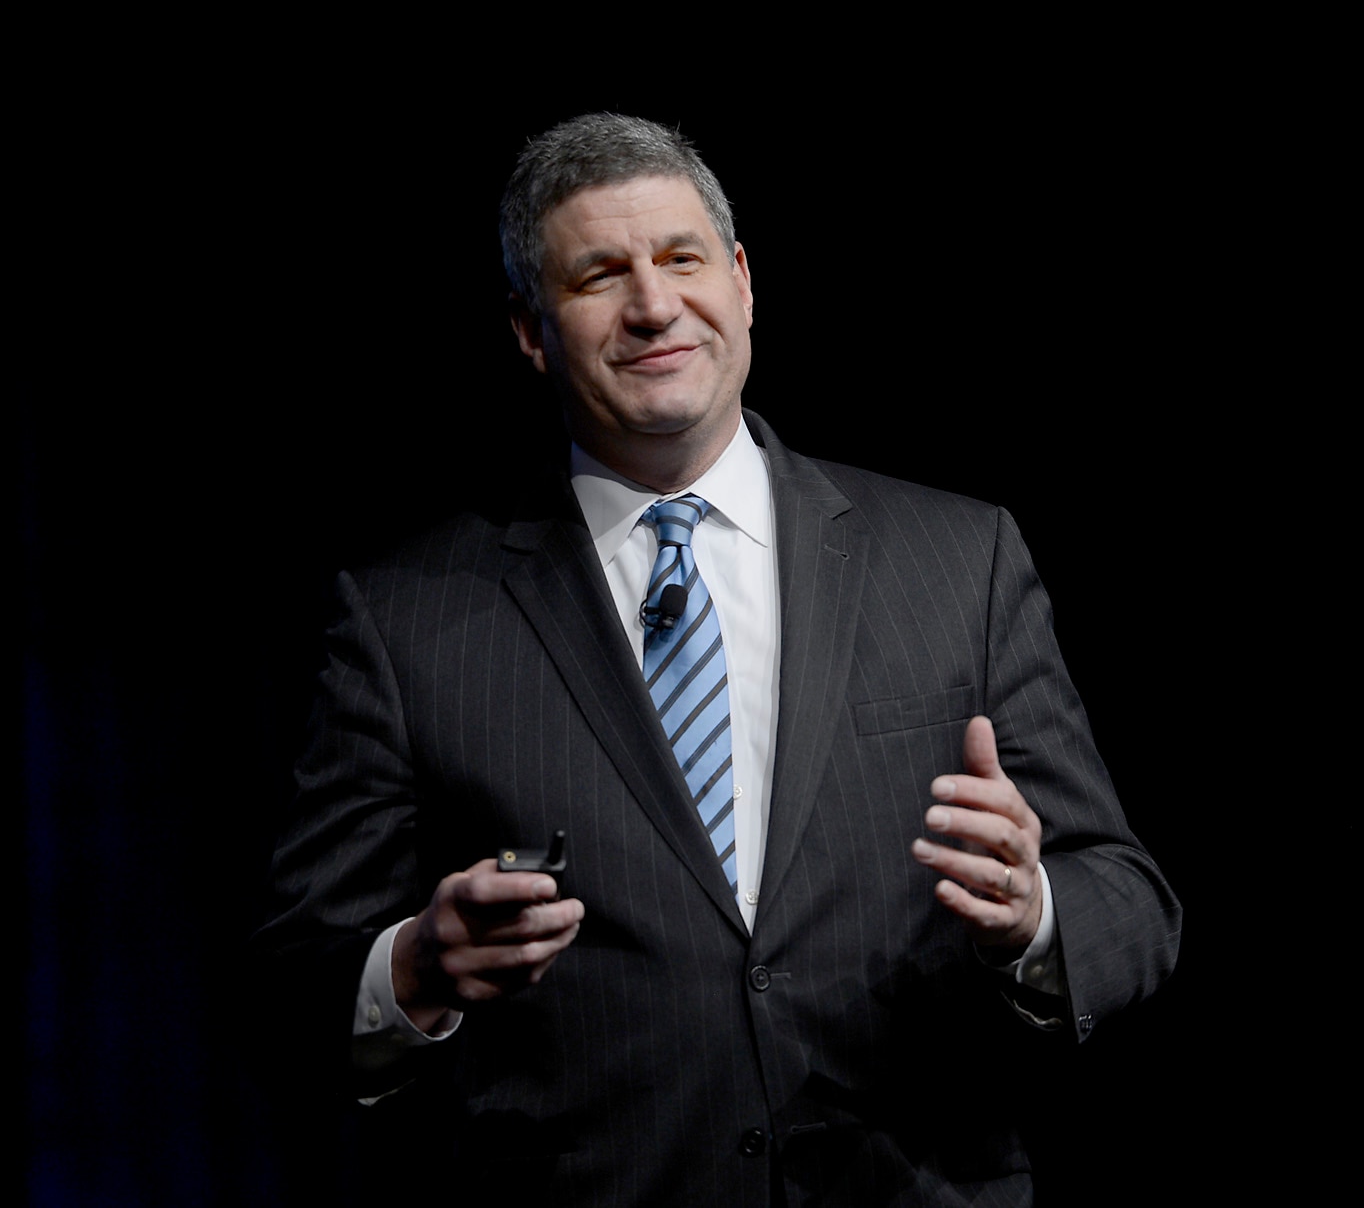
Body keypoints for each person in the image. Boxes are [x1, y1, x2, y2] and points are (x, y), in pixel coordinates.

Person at [255, 113, 1180, 1205]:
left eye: (682, 258)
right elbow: (300, 987)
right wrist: (411, 969)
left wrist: (1032, 914)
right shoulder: (405, 620)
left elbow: (1126, 899)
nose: (653, 305)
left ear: (741, 281)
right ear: (528, 328)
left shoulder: (957, 556)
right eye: (600, 274)